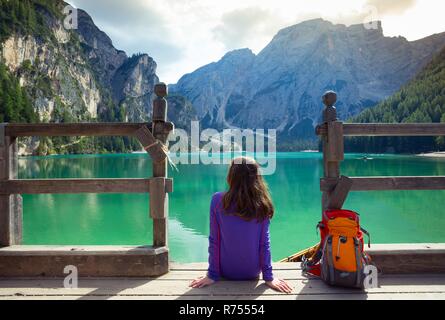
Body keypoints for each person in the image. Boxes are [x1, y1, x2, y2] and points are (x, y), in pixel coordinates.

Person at [190, 156, 292, 293]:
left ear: (231, 176)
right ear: (257, 178)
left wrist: (212, 275)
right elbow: (264, 244)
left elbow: (214, 240)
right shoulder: (262, 204)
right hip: (252, 272)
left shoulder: (217, 200)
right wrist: (269, 277)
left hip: (226, 271)